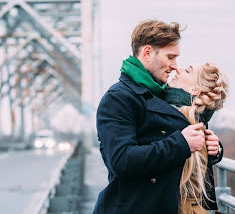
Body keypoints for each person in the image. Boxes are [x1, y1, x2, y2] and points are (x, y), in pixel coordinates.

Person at [93, 20, 223, 214]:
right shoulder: (118, 98)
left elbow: (174, 144)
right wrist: (181, 143)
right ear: (147, 53)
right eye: (170, 57)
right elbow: (122, 160)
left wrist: (212, 148)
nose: (174, 66)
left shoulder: (161, 94)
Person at [164, 63, 228, 214]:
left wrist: (215, 149)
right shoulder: (193, 115)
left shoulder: (179, 113)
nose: (177, 69)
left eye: (187, 71)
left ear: (194, 90)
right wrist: (215, 149)